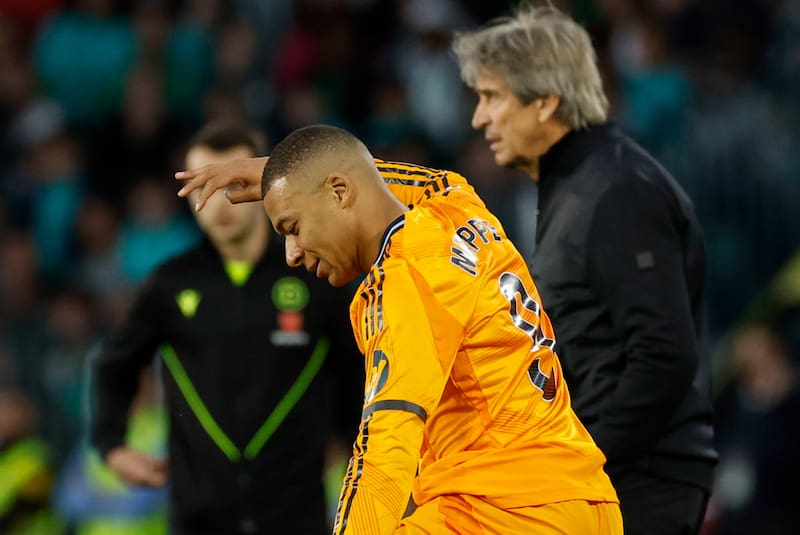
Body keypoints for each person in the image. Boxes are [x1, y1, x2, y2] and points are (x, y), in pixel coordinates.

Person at [178, 124, 621, 534]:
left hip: (505, 511)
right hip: (584, 496)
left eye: (293, 227)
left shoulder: (403, 282)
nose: (292, 253)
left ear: (338, 191)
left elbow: (386, 446)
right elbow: (422, 181)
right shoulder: (458, 208)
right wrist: (285, 173)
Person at [451, 4, 717, 534]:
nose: (479, 118)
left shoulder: (617, 191)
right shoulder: (580, 187)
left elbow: (662, 353)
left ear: (546, 101)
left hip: (639, 480)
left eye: (492, 97)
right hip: (618, 474)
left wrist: (581, 458)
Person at [89, 121, 363, 535]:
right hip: (198, 515)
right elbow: (114, 363)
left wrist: (358, 455)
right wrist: (111, 445)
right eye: (201, 186)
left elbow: (356, 373)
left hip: (295, 513)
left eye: (229, 184)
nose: (215, 202)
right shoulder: (170, 284)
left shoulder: (316, 275)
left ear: (261, 185)